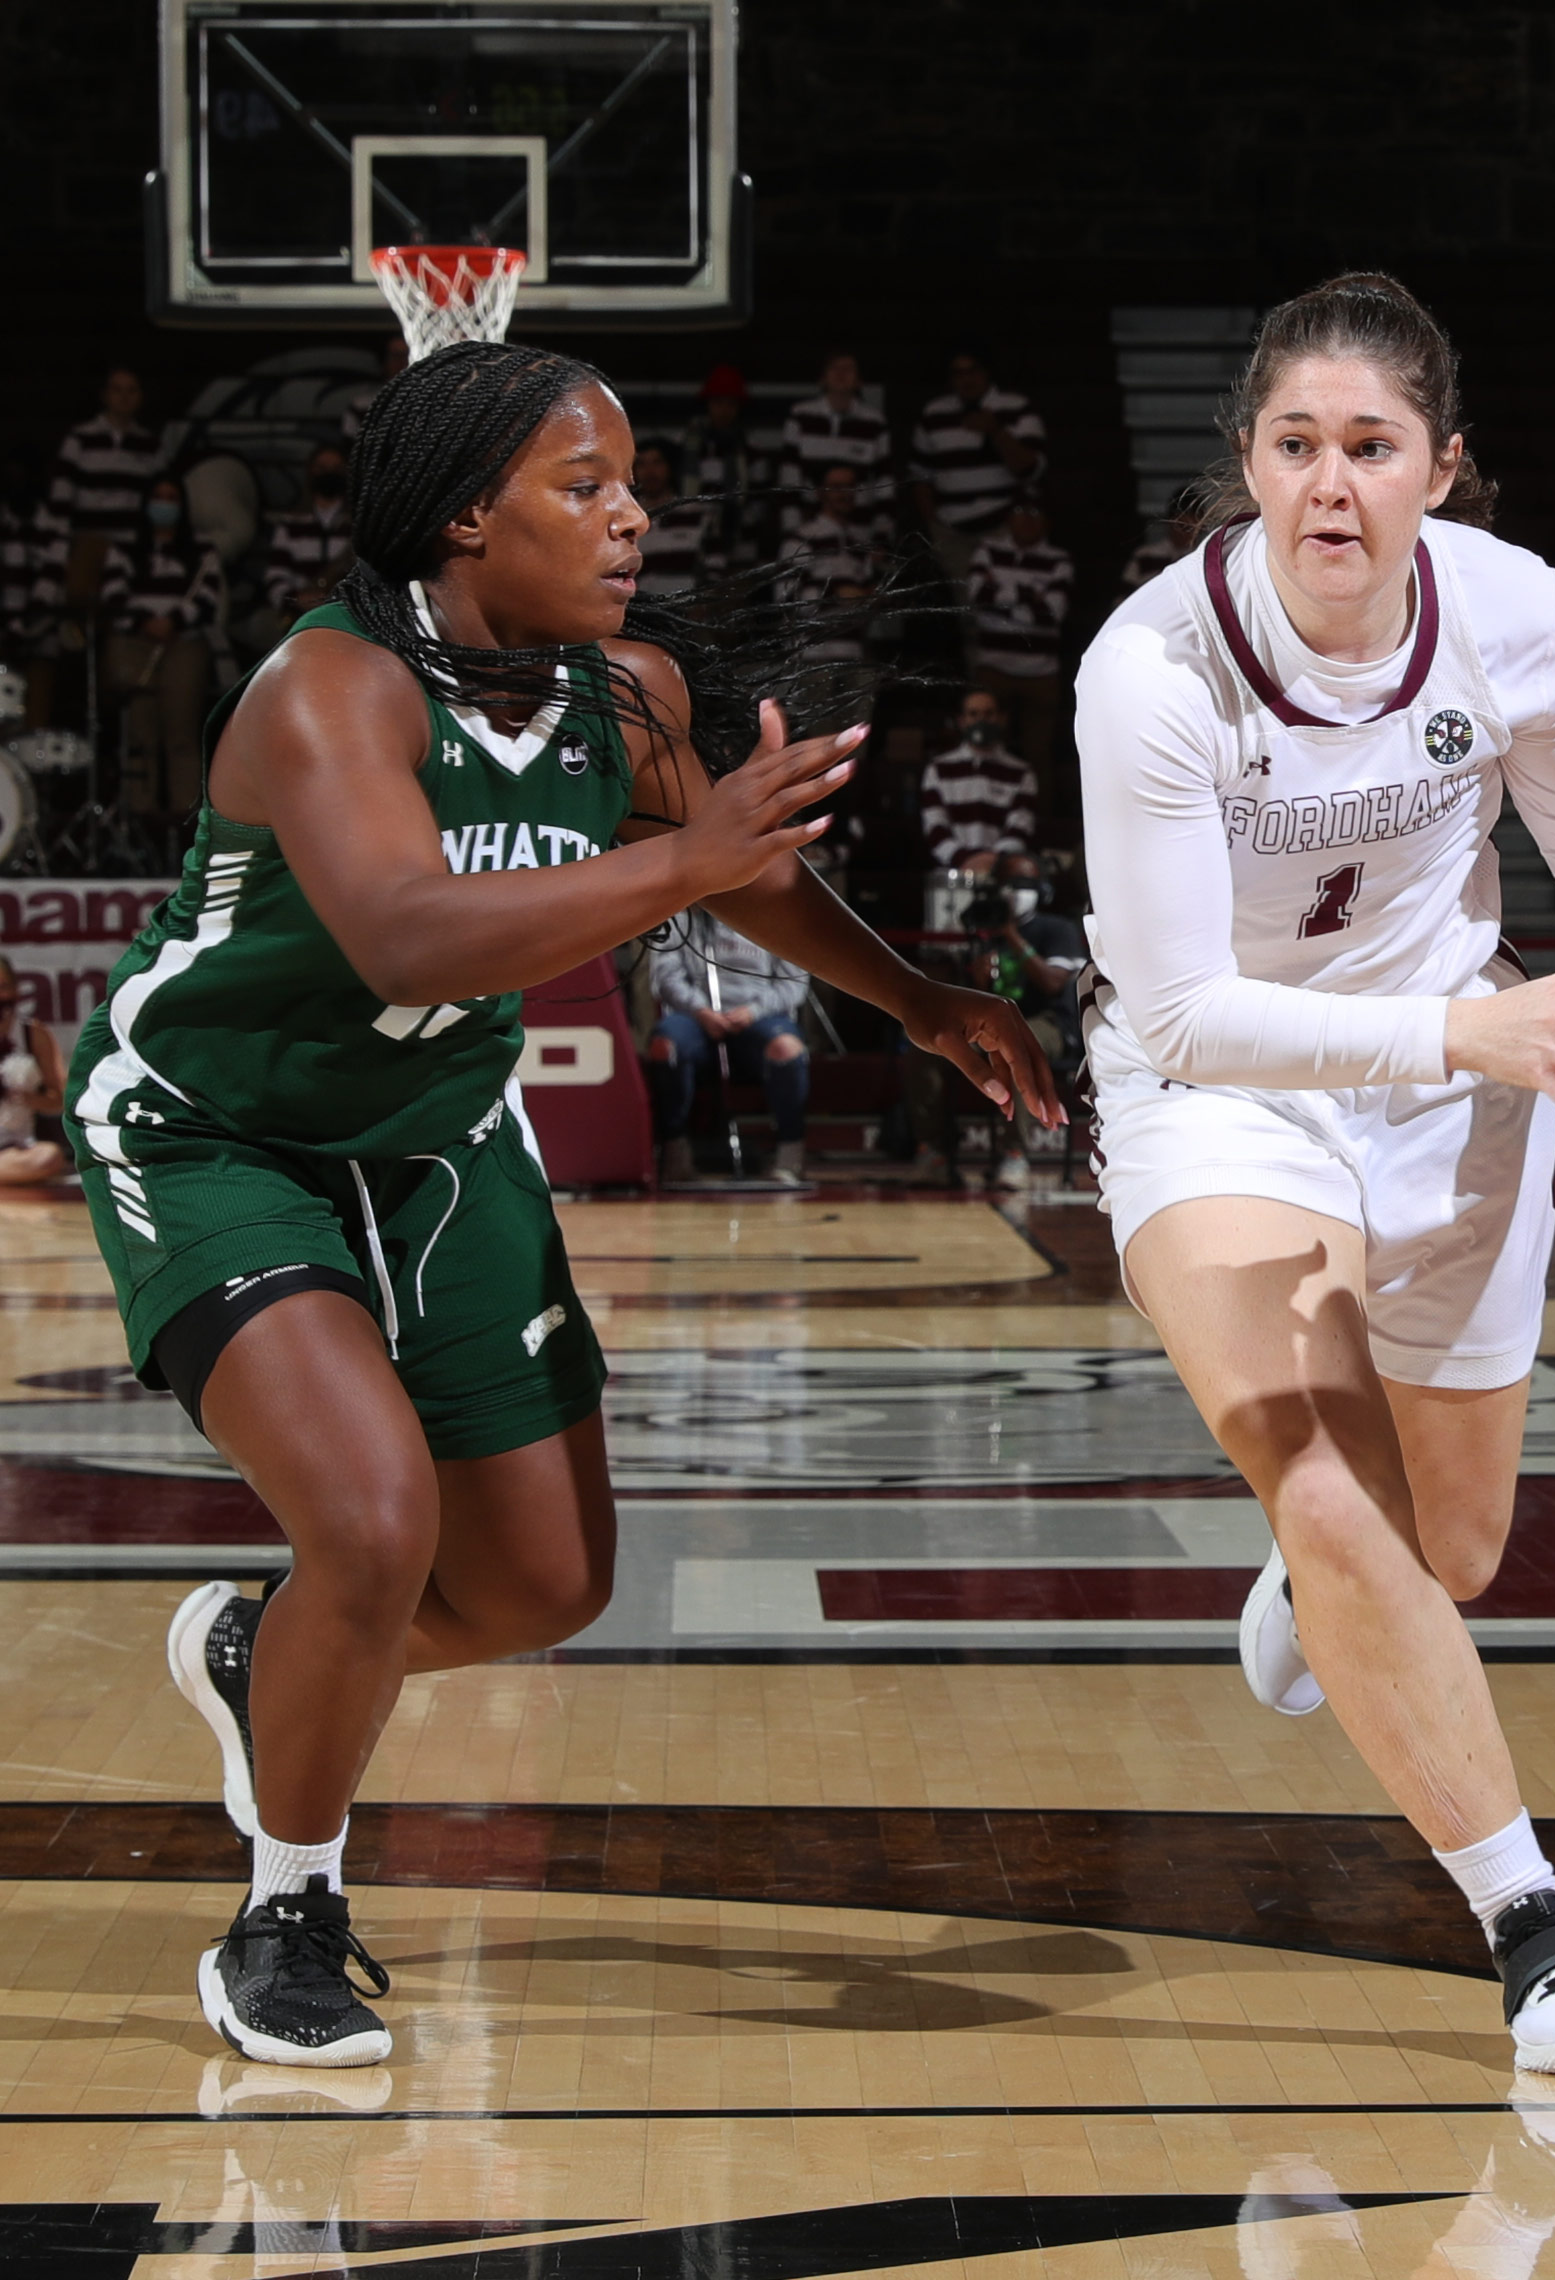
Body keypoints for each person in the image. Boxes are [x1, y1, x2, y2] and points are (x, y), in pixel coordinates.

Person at [65, 339, 1059, 2068]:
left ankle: (264, 1662)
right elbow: (406, 931)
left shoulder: (627, 694)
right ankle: (285, 1911)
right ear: (465, 514)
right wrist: (686, 857)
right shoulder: (330, 690)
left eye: (633, 486)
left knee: (540, 1586)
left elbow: (751, 875)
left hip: (441, 1131)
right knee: (372, 1524)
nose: (629, 520)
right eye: (582, 488)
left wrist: (915, 998)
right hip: (219, 1132)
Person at [1075, 271, 1555, 2073]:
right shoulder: (1149, 668)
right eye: (1295, 446)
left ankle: (1311, 1594)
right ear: (1249, 468)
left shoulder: (1517, 614)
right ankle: (1535, 1928)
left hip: (1459, 1087)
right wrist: (1457, 1036)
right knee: (1335, 1493)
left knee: (1449, 1549)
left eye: (1370, 447)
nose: (1330, 484)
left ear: (1441, 471)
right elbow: (1190, 1012)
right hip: (1228, 1093)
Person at [646, 908, 812, 1183]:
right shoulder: (681, 914)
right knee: (666, 1046)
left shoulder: (778, 913)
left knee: (787, 1048)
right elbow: (665, 977)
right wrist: (700, 1010)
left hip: (759, 1016)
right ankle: (675, 1152)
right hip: (697, 1017)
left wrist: (753, 1012)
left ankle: (790, 1155)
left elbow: (793, 984)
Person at [101, 475, 225, 818]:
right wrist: (146, 622)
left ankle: (182, 821)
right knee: (139, 732)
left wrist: (174, 621)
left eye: (172, 498)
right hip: (134, 643)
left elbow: (208, 595)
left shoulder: (201, 549)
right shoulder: (124, 547)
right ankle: (139, 814)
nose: (165, 505)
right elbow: (113, 593)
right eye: (158, 497)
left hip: (183, 644)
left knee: (181, 733)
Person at [977, 850, 1085, 1188]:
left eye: (1025, 883)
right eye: (1009, 883)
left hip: (1051, 1024)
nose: (1015, 891)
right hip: (991, 1022)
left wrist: (1011, 935)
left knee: (1015, 1042)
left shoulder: (1058, 929)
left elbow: (1053, 982)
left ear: (1043, 889)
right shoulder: (983, 930)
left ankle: (1014, 1157)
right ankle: (933, 1154)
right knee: (925, 1047)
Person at [909, 348, 1046, 590]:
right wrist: (935, 526)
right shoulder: (934, 413)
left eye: (972, 371)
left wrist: (995, 431)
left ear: (986, 373)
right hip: (953, 533)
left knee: (1007, 598)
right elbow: (920, 475)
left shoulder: (1016, 408)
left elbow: (1030, 468)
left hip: (1004, 528)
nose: (966, 379)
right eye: (958, 373)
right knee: (969, 608)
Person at [968, 491, 1074, 798]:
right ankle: (982, 808)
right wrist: (1030, 596)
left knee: (1038, 755)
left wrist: (1003, 596)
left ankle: (1038, 824)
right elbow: (977, 597)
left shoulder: (1059, 559)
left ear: (1046, 522)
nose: (1026, 520)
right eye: (1020, 511)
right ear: (1008, 517)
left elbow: (1054, 611)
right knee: (983, 743)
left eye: (1034, 513)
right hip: (993, 668)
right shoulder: (988, 550)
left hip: (1040, 674)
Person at [42, 365, 165, 620]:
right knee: (79, 616)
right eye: (117, 390)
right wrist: (61, 552)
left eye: (131, 390)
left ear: (140, 396)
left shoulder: (151, 445)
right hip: (88, 543)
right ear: (105, 395)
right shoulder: (80, 438)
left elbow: (159, 498)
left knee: (124, 616)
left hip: (130, 547)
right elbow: (60, 500)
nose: (124, 397)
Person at [919, 688, 1037, 874]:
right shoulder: (938, 768)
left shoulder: (1021, 772)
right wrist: (965, 860)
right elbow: (935, 826)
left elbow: (1020, 826)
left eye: (989, 714)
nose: (981, 720)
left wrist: (993, 863)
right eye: (973, 714)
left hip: (1000, 873)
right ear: (962, 720)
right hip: (953, 872)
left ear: (1001, 718)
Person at [779, 465, 885, 667]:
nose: (845, 494)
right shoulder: (801, 539)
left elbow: (866, 602)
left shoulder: (859, 545)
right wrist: (834, 596)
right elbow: (785, 598)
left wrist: (872, 597)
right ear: (820, 492)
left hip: (853, 657)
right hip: (810, 658)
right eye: (836, 487)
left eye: (850, 487)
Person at [779, 350, 894, 533]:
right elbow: (789, 479)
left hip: (860, 535)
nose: (841, 374)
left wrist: (883, 536)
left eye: (848, 369)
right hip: (811, 535)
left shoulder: (875, 423)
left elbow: (884, 484)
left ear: (859, 380)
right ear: (822, 378)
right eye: (834, 368)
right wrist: (791, 532)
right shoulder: (800, 416)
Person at [261, 443, 355, 634]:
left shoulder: (358, 526)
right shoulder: (290, 524)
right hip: (299, 616)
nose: (329, 473)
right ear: (310, 472)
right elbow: (275, 577)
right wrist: (298, 599)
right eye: (321, 468)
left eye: (336, 468)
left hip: (347, 617)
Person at [692, 364, 773, 572]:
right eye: (718, 402)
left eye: (730, 404)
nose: (723, 410)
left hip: (742, 536)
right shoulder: (691, 446)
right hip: (696, 534)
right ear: (708, 404)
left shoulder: (753, 448)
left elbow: (760, 501)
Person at [0, 956, 66, 1185]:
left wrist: (29, 1099)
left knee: (49, 1157)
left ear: (16, 990)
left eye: (3, 987)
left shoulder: (33, 1034)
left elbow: (59, 1099)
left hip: (13, 1149)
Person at [629, 437, 708, 599]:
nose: (650, 472)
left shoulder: (694, 513)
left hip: (685, 611)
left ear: (670, 467)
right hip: (640, 614)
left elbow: (714, 567)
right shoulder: (625, 519)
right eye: (642, 464)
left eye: (657, 463)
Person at [1120, 485, 1204, 599]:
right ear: (1169, 522)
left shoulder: (1202, 560)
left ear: (1200, 527)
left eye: (1190, 528)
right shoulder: (1145, 555)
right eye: (1180, 525)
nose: (1183, 533)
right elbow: (1122, 598)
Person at [342, 337, 410, 442]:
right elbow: (351, 443)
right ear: (384, 361)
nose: (402, 362)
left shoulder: (431, 400)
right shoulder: (361, 405)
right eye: (396, 356)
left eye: (406, 355)